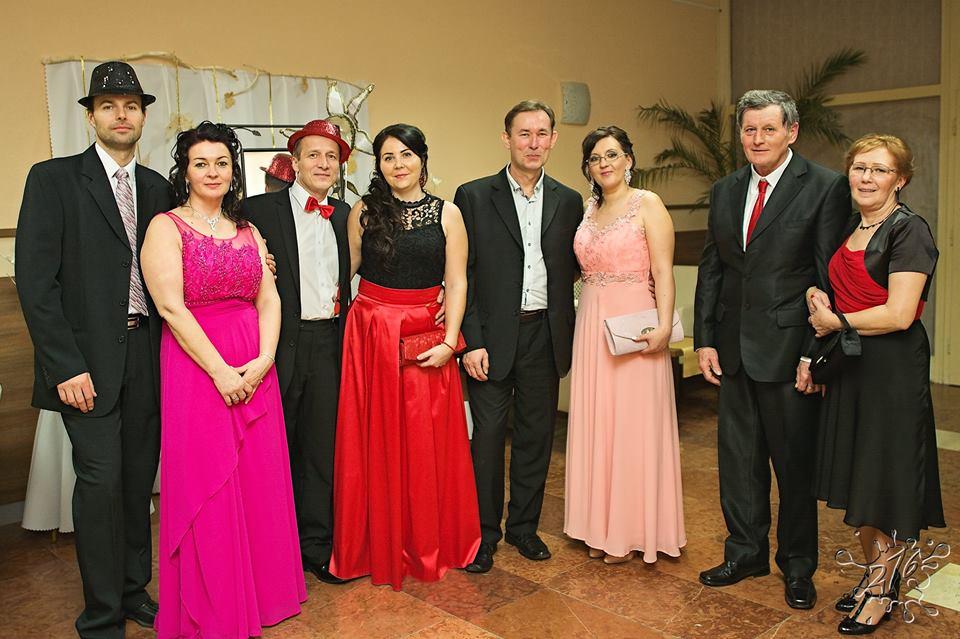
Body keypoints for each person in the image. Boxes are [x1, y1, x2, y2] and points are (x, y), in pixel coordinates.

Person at [16, 61, 171, 638]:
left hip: (149, 357)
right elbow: (37, 283)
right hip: (86, 367)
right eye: (108, 106)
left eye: (130, 106)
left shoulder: (158, 188)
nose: (120, 115)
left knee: (137, 483)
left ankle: (133, 591)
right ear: (91, 117)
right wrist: (65, 366)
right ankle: (102, 614)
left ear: (143, 116)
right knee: (101, 485)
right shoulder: (52, 179)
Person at [141, 122, 306, 637]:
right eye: (201, 163)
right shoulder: (166, 227)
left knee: (258, 478)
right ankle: (215, 606)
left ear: (233, 171)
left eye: (221, 163)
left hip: (255, 364)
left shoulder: (248, 230)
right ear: (185, 172)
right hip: (197, 366)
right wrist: (219, 372)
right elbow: (170, 307)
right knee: (209, 480)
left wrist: (264, 359)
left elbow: (269, 299)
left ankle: (262, 595)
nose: (212, 172)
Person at [693, 89, 850, 609]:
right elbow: (713, 269)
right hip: (733, 348)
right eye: (749, 130)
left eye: (768, 129)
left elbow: (828, 277)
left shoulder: (824, 187)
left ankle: (798, 566)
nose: (757, 139)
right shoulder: (725, 189)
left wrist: (813, 353)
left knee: (793, 464)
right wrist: (705, 339)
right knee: (738, 461)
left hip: (789, 352)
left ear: (791, 132)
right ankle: (745, 553)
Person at [330, 123, 480, 590]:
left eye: (407, 154)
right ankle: (375, 545)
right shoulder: (364, 211)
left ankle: (429, 544)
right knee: (373, 439)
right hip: (371, 331)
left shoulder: (448, 213)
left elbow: (457, 281)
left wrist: (450, 342)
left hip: (427, 335)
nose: (399, 165)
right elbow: (343, 272)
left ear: (422, 158)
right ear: (378, 165)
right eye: (388, 157)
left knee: (425, 441)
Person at [807, 134, 944, 635]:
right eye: (860, 167)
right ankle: (874, 575)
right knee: (862, 475)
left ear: (900, 180)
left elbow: (900, 313)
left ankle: (884, 590)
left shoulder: (910, 231)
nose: (867, 178)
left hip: (892, 370)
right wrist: (816, 294)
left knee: (884, 478)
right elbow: (834, 281)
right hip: (854, 364)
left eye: (880, 170)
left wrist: (836, 321)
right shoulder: (852, 224)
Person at [454, 100, 583, 573]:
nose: (533, 143)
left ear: (553, 140)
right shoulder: (473, 196)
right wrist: (471, 341)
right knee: (487, 439)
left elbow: (574, 267)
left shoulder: (569, 200)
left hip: (544, 335)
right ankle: (484, 534)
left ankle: (524, 528)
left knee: (536, 436)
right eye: (523, 133)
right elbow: (463, 274)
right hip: (490, 339)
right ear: (506, 138)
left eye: (542, 133)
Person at [564, 126, 685, 564]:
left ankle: (631, 531)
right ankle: (597, 526)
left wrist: (663, 327)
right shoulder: (588, 209)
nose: (604, 164)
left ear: (629, 160)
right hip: (591, 322)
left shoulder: (647, 204)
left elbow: (664, 271)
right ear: (588, 168)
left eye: (612, 155)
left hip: (635, 324)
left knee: (633, 425)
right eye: (595, 158)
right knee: (598, 422)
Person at [244, 119, 354, 585]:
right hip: (277, 344)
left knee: (321, 449)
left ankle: (316, 546)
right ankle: (273, 551)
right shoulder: (257, 211)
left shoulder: (348, 216)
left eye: (331, 157)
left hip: (330, 343)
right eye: (313, 155)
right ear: (295, 162)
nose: (323, 164)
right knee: (273, 449)